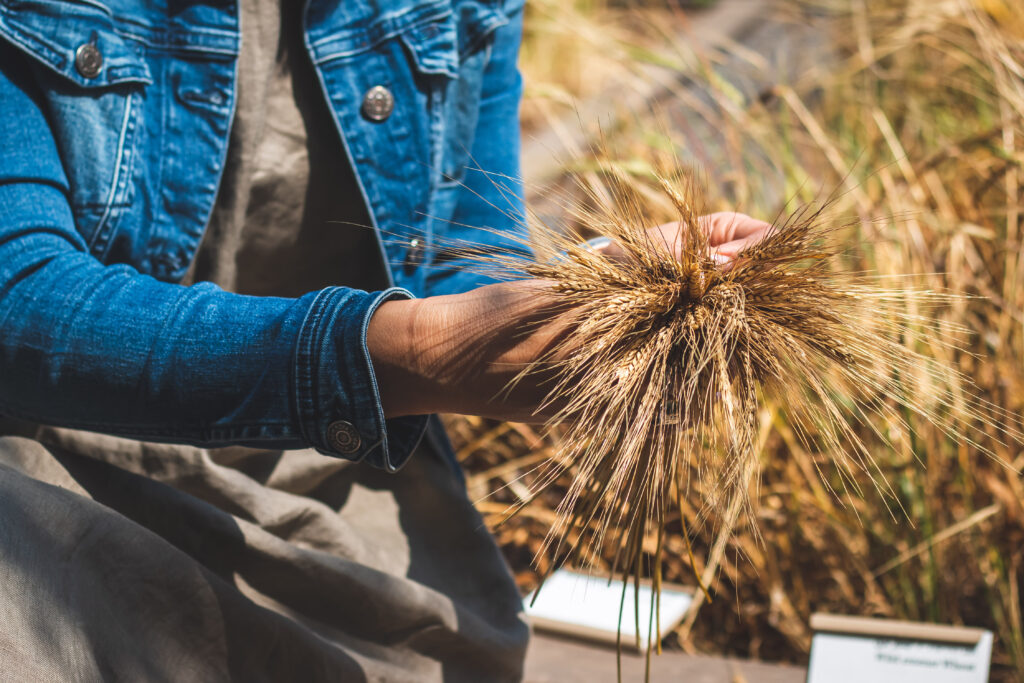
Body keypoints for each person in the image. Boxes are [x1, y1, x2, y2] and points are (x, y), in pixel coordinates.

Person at [0, 0, 771, 680]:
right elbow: (19, 296)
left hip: (347, 492)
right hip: (50, 478)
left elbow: (460, 259)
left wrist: (585, 297)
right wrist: (412, 352)